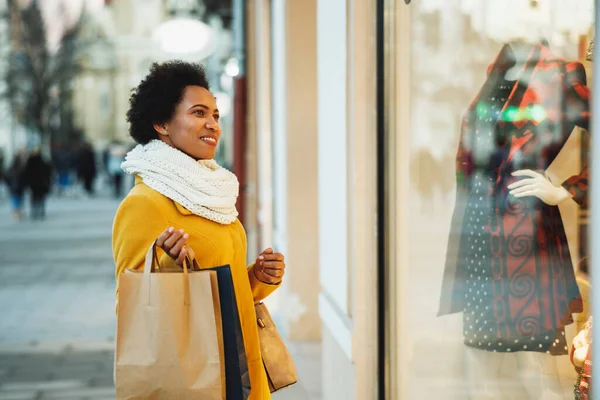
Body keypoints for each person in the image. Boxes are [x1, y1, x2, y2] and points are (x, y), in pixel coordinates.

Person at [112, 61, 286, 400]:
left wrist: (259, 277)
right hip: (199, 377)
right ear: (161, 123)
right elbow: (132, 308)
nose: (212, 124)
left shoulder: (213, 193)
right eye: (198, 113)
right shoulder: (146, 203)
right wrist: (169, 267)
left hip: (242, 366)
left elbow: (225, 289)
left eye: (216, 115)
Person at [23, 148, 53, 220]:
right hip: (41, 184)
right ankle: (41, 211)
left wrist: (27, 183)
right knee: (41, 198)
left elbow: (25, 174)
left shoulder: (30, 162)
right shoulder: (43, 162)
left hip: (33, 184)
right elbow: (49, 172)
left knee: (34, 198)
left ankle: (35, 211)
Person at [5, 149, 27, 220]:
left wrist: (9, 185)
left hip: (13, 188)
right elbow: (25, 179)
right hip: (20, 188)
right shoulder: (21, 169)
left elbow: (7, 178)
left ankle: (16, 212)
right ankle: (19, 212)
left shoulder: (10, 169)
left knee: (15, 200)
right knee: (20, 199)